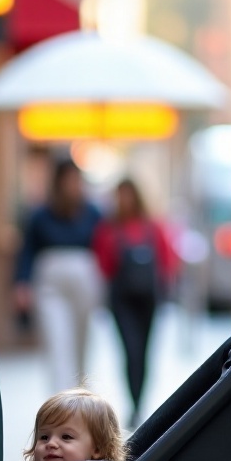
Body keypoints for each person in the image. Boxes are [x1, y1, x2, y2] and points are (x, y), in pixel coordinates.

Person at [92, 178, 179, 427]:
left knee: (144, 352)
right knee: (130, 351)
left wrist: (164, 288)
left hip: (148, 299)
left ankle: (139, 404)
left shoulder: (153, 227)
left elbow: (167, 260)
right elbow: (102, 263)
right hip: (122, 300)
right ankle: (133, 402)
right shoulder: (108, 228)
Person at [14, 158, 104, 393]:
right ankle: (61, 399)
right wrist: (21, 282)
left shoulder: (92, 213)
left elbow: (105, 246)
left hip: (84, 282)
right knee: (57, 341)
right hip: (50, 285)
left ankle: (81, 396)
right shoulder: (40, 215)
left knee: (82, 342)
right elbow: (27, 251)